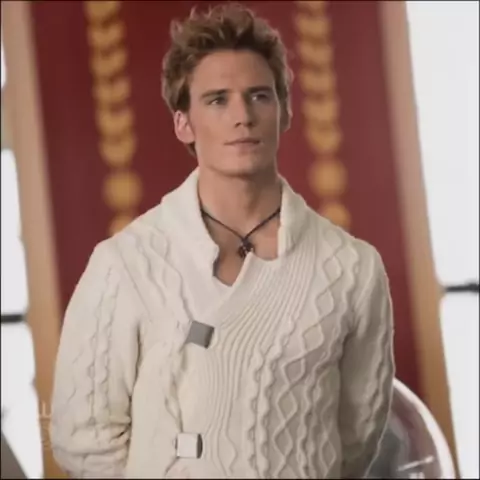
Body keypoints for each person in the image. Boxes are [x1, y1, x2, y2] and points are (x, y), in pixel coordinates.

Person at [50, 3, 395, 479]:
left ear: (284, 112)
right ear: (183, 123)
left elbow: (355, 437)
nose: (242, 116)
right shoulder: (125, 263)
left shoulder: (354, 269)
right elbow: (83, 439)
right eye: (217, 100)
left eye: (259, 96)